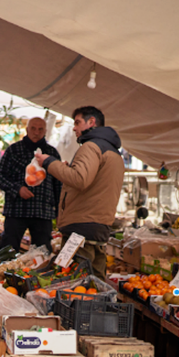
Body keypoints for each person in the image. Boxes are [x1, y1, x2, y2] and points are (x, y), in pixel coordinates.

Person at [36, 106, 125, 280]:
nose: (74, 128)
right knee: (96, 282)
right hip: (99, 226)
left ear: (91, 122)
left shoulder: (90, 147)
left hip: (81, 227)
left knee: (72, 283)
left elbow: (80, 179)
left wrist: (49, 163)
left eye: (77, 123)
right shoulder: (114, 153)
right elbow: (93, 182)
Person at [0, 117, 62, 252]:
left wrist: (59, 211)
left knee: (43, 253)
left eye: (40, 129)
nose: (36, 132)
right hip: (16, 210)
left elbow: (59, 185)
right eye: (33, 128)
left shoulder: (52, 153)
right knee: (8, 251)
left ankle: (37, 273)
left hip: (43, 211)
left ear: (45, 131)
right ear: (27, 130)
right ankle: (4, 272)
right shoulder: (14, 150)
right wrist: (17, 189)